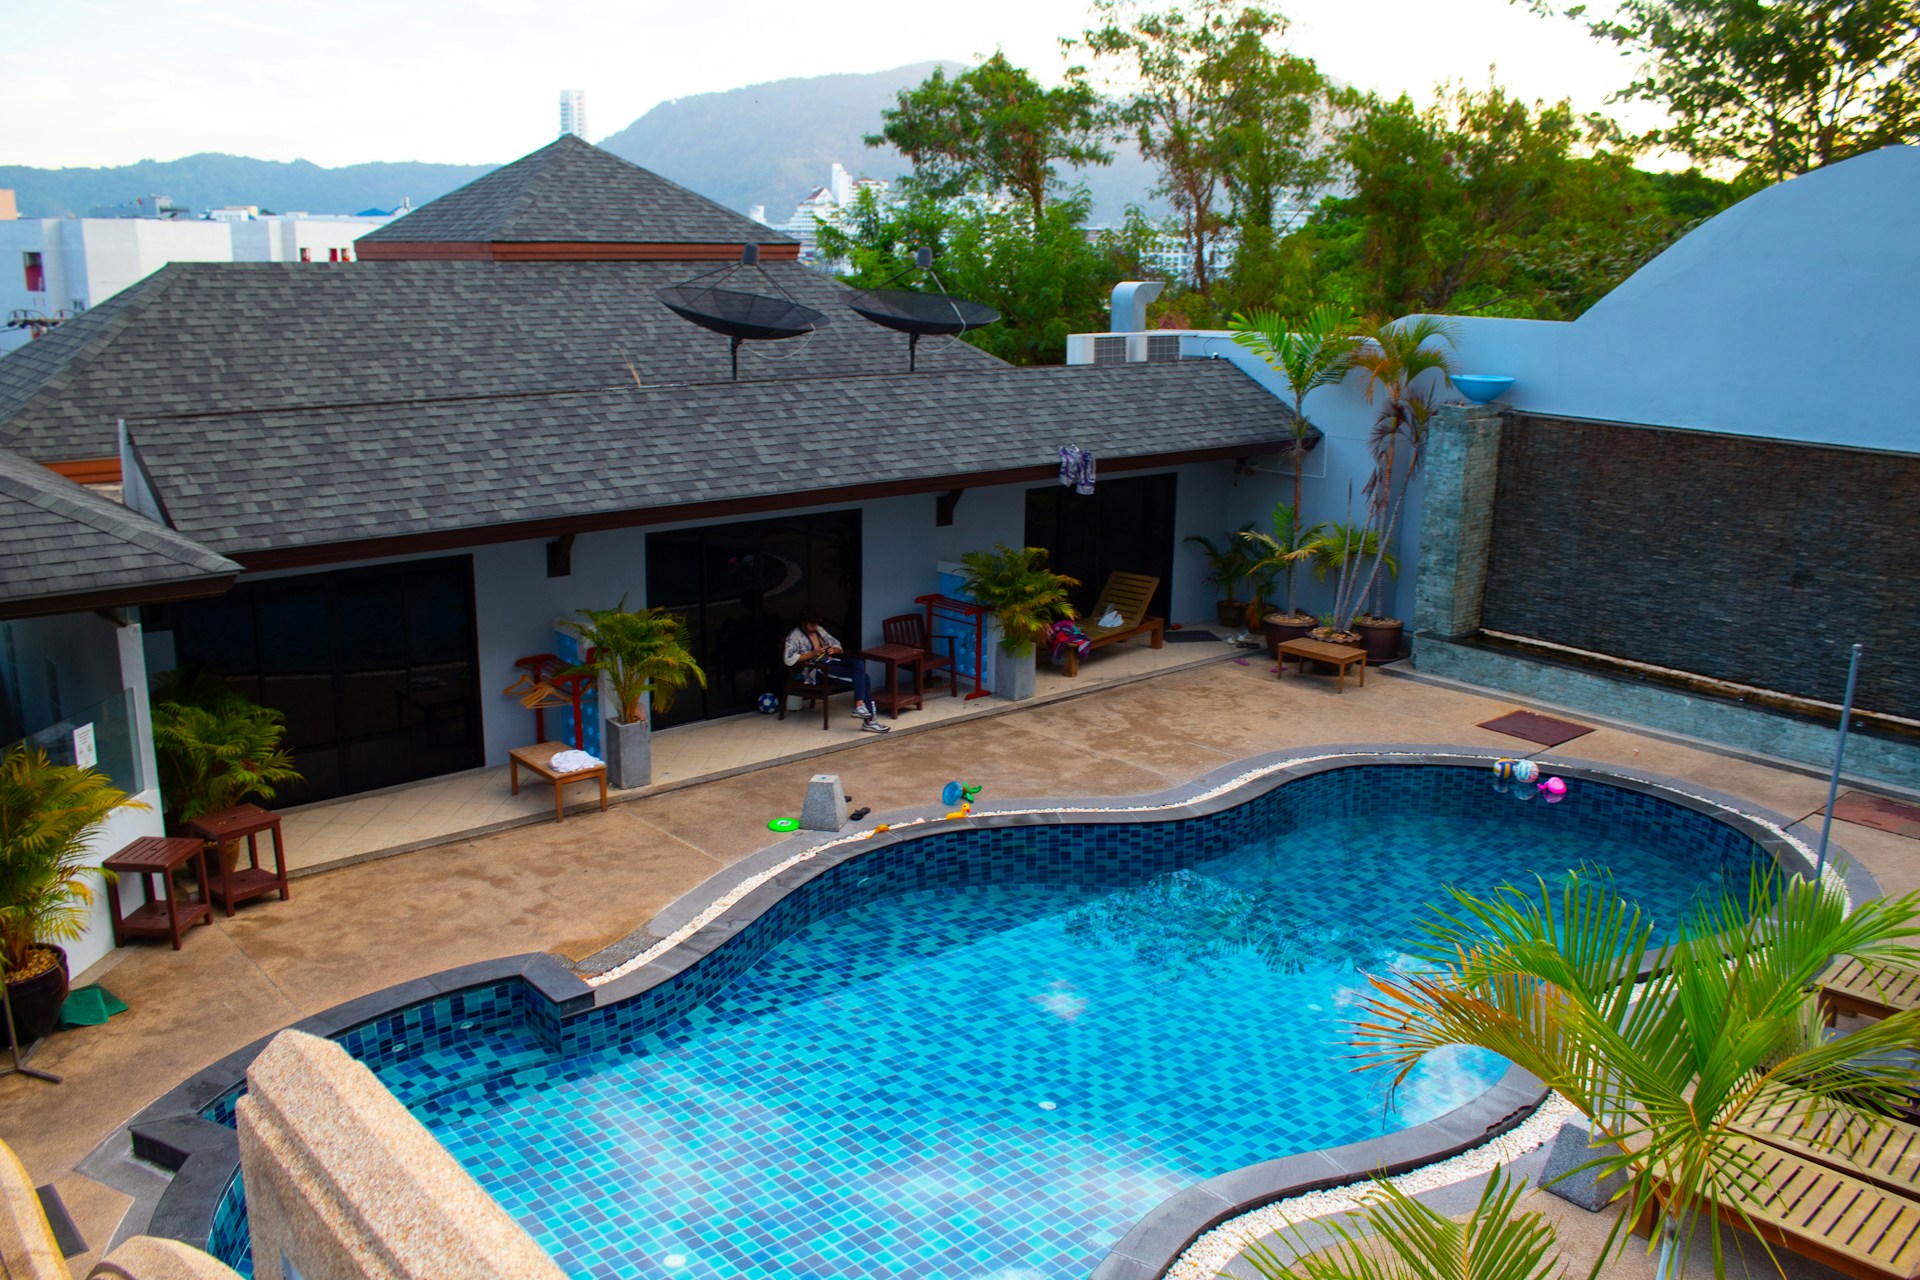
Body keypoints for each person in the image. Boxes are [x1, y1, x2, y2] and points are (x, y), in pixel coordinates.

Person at [783, 615, 889, 733]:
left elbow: (837, 645)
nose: (815, 627)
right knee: (865, 678)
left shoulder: (819, 630)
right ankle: (868, 719)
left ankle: (860, 707)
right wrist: (812, 653)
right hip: (819, 669)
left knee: (858, 663)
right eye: (812, 625)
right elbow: (788, 659)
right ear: (804, 623)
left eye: (816, 624)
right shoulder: (795, 636)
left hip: (832, 662)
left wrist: (834, 650)